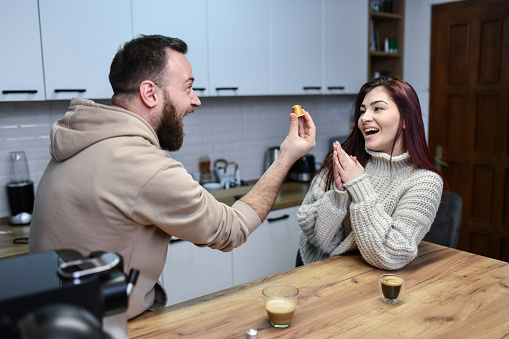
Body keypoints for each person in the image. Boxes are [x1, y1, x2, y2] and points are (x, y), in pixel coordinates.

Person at [28, 34, 316, 319]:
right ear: (150, 93)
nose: (196, 100)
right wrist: (286, 157)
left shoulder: (78, 138)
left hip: (51, 320)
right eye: (188, 88)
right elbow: (231, 230)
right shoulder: (143, 165)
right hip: (106, 326)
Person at [297, 77, 445, 270]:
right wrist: (338, 196)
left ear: (405, 119)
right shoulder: (342, 162)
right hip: (318, 273)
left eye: (377, 108)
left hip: (371, 281)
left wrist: (359, 185)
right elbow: (319, 239)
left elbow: (392, 254)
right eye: (362, 111)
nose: (364, 118)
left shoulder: (425, 181)